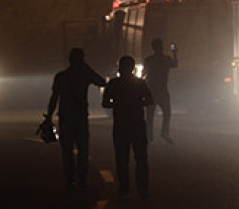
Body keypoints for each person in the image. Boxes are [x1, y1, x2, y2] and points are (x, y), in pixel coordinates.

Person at [46, 48, 107, 191]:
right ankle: (82, 179)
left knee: (67, 151)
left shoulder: (61, 76)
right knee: (83, 150)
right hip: (80, 117)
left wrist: (49, 115)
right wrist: (89, 69)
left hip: (65, 117)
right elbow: (102, 82)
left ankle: (70, 179)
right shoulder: (86, 75)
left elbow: (54, 97)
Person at [102, 55, 153, 199]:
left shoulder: (114, 84)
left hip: (121, 124)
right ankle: (142, 188)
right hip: (137, 123)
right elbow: (149, 100)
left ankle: (124, 189)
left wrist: (118, 104)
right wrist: (137, 103)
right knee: (141, 157)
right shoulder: (140, 83)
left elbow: (105, 103)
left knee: (122, 159)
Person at [142, 37, 178, 144]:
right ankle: (164, 132)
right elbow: (175, 64)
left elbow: (144, 74)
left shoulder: (149, 60)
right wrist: (174, 53)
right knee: (166, 112)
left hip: (152, 89)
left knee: (150, 114)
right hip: (162, 88)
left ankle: (149, 136)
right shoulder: (166, 59)